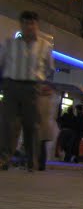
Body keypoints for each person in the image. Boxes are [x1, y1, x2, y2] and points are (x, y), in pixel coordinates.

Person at [0, 10, 55, 172]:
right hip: (11, 85)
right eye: (25, 23)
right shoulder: (10, 44)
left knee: (31, 125)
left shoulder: (45, 46)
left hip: (31, 87)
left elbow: (50, 68)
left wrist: (41, 82)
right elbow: (1, 63)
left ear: (37, 25)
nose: (29, 27)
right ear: (21, 25)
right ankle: (4, 158)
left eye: (32, 23)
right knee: (7, 124)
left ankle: (32, 160)